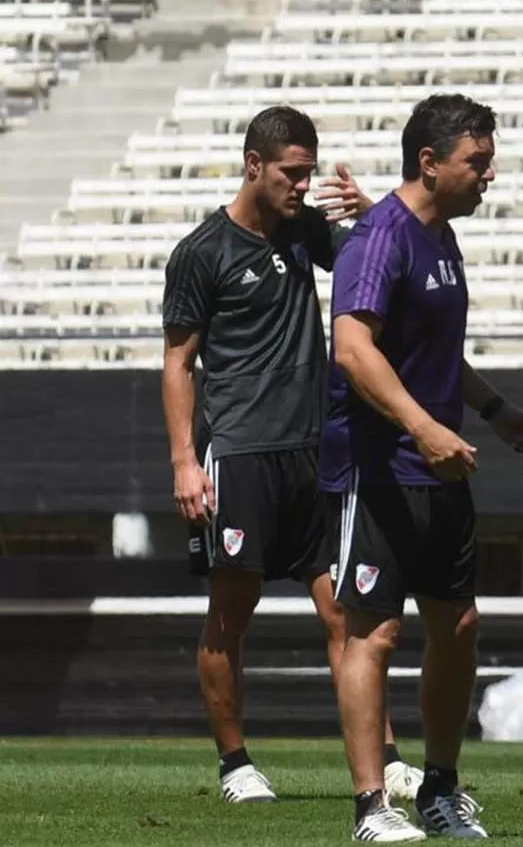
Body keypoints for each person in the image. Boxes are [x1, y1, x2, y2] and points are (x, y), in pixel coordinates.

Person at [160, 105, 429, 805]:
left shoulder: (305, 230)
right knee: (232, 612)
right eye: (292, 173)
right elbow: (177, 363)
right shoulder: (202, 252)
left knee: (347, 615)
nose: (303, 186)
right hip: (241, 454)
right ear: (255, 165)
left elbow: (383, 262)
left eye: (309, 173)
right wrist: (185, 462)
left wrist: (376, 212)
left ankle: (388, 757)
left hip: (317, 453)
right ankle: (235, 764)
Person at [325, 92, 523, 843]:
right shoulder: (380, 237)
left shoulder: (441, 237)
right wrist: (423, 428)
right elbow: (354, 348)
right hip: (384, 468)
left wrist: (493, 410)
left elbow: (437, 352)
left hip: (440, 467)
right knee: (374, 633)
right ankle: (370, 807)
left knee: (458, 626)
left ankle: (442, 791)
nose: (489, 175)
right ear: (430, 161)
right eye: (477, 162)